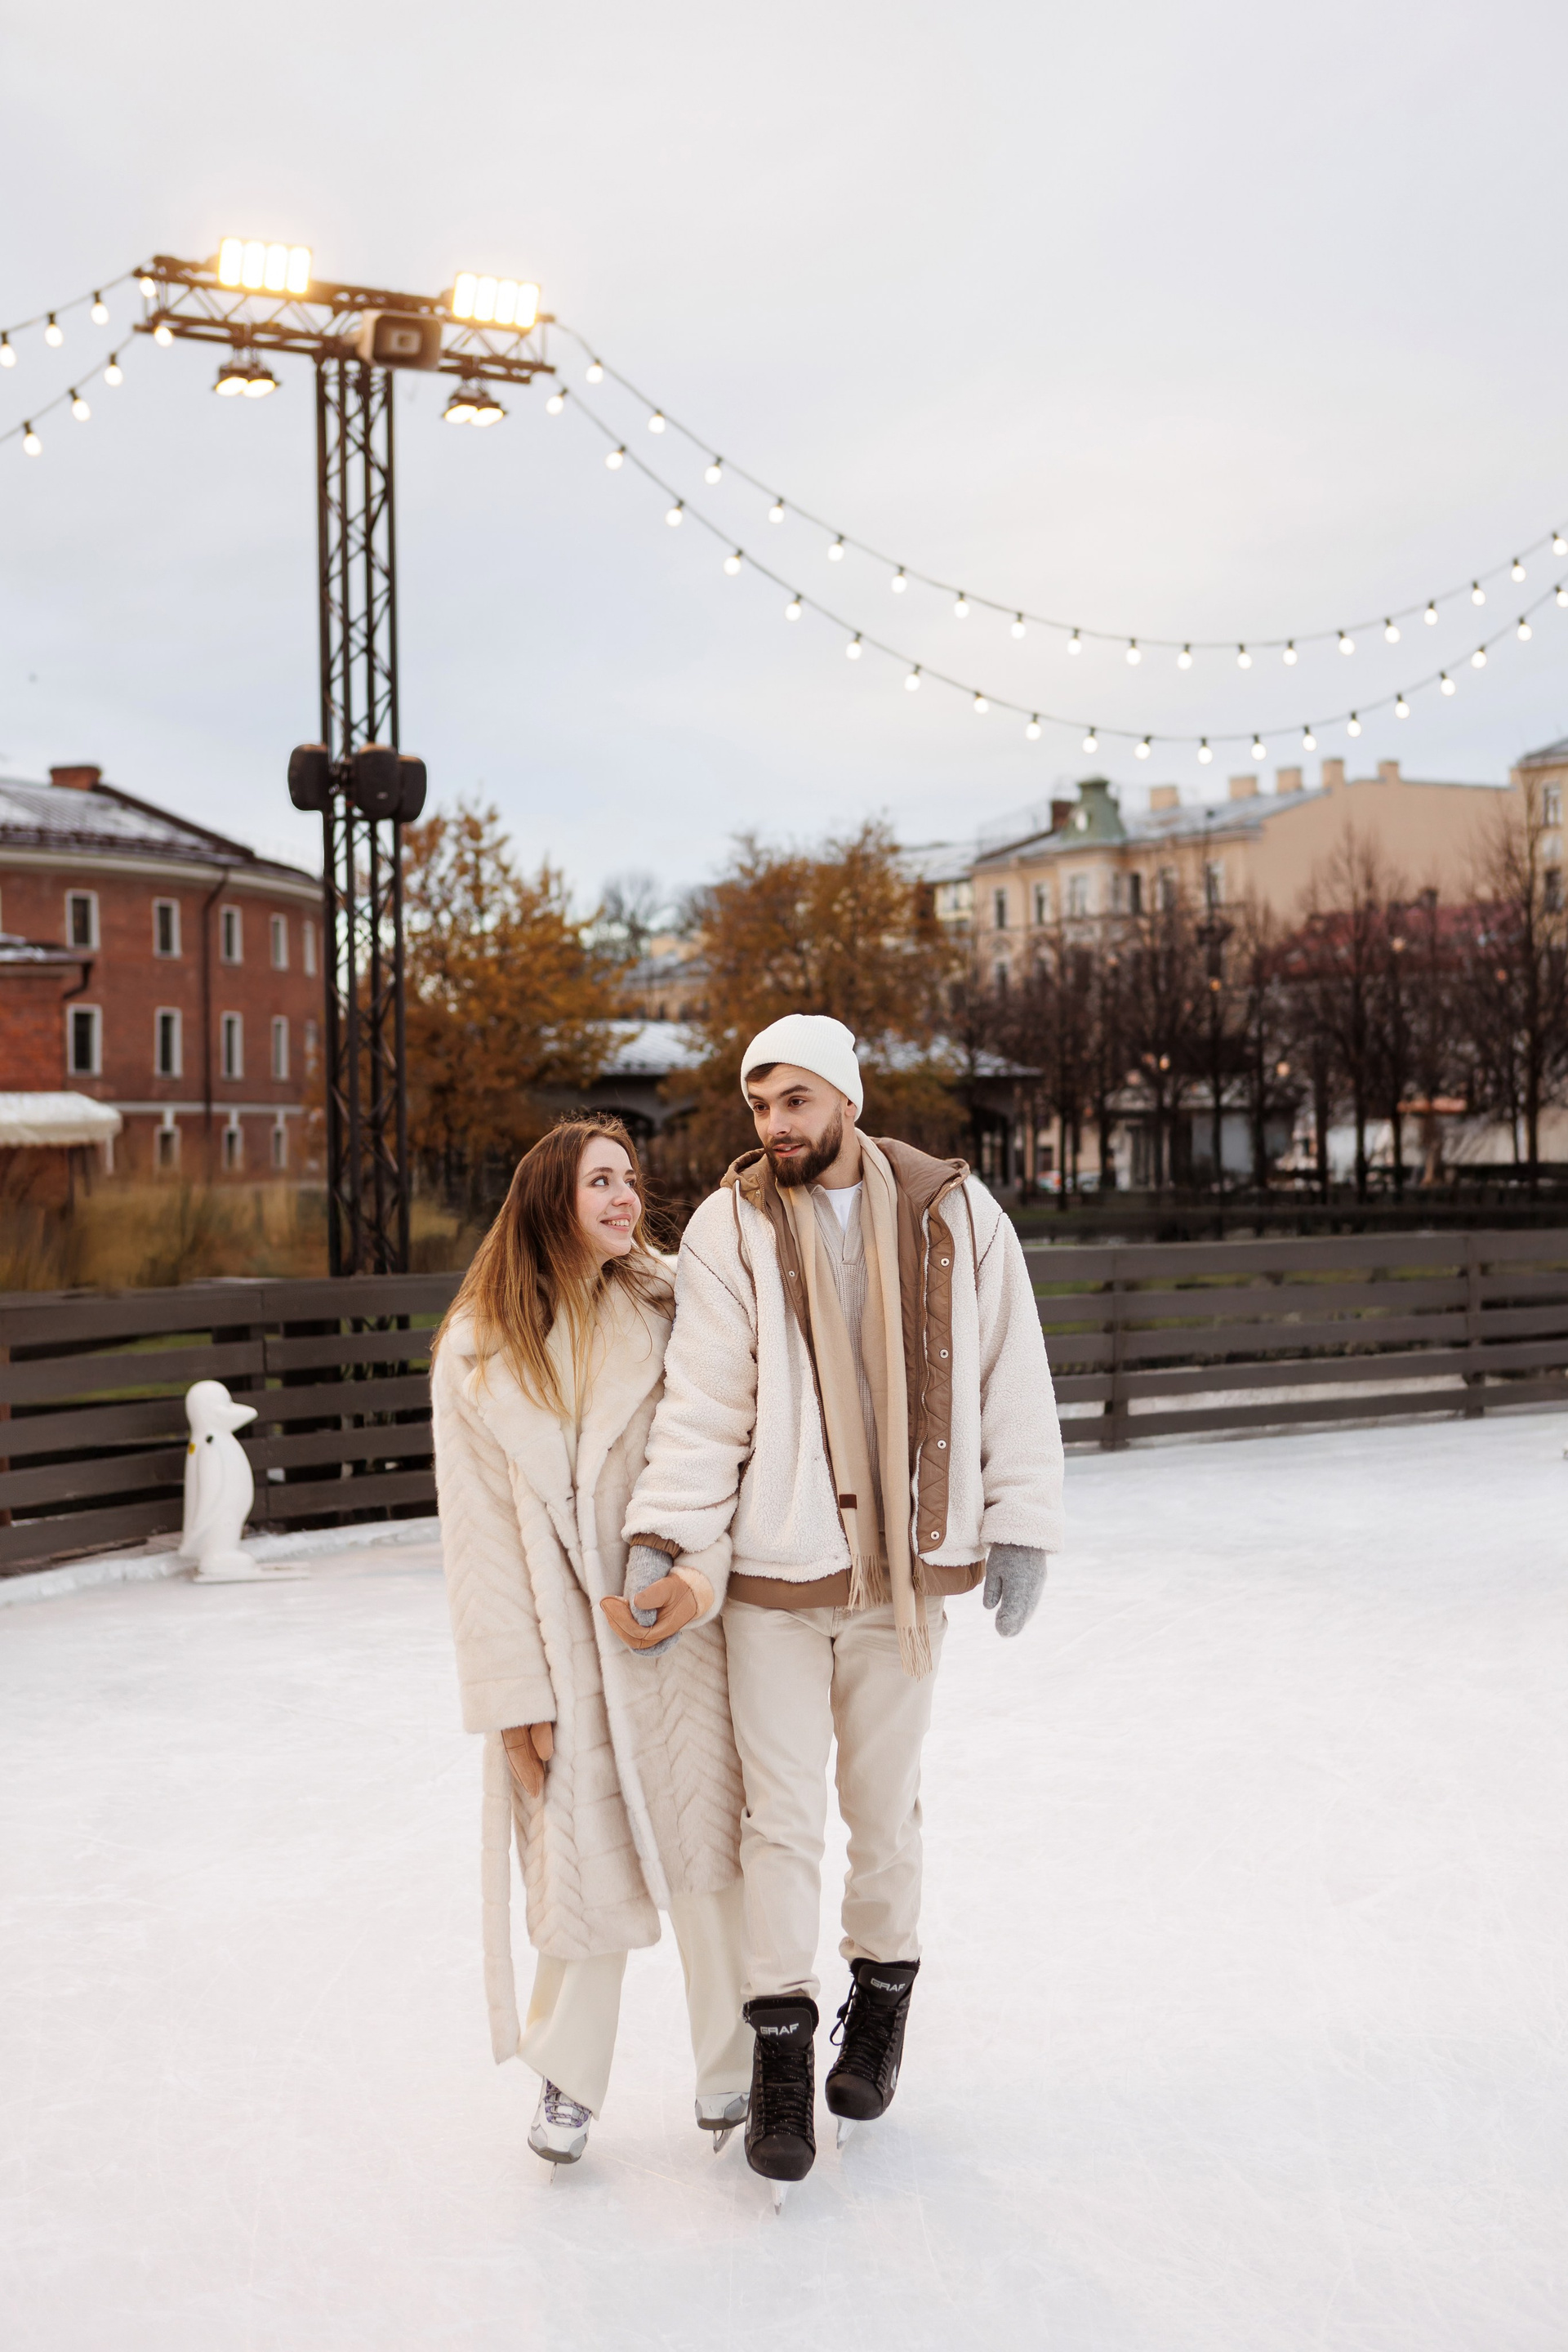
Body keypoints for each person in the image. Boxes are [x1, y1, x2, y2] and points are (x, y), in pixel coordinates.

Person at [605, 1015, 1063, 2192]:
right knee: (780, 1818)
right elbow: (707, 1399)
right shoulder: (731, 1226)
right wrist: (667, 1535)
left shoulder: (958, 1214)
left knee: (884, 1807)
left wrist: (1019, 1522)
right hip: (776, 1578)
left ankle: (882, 2000)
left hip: (902, 1577)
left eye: (795, 1101)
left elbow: (1011, 1369)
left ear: (846, 1099)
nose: (775, 1126)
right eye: (760, 1107)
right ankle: (779, 2049)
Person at [431, 1116, 751, 2169]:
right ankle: (567, 2075)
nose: (625, 1197)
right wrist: (512, 1698)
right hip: (562, 1655)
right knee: (576, 1867)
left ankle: (735, 2069)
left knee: (713, 1857)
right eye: (599, 1181)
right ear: (549, 1202)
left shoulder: (672, 1304)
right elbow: (478, 1542)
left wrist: (696, 1577)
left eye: (629, 1178)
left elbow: (723, 1451)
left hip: (673, 1631)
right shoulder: (477, 1350)